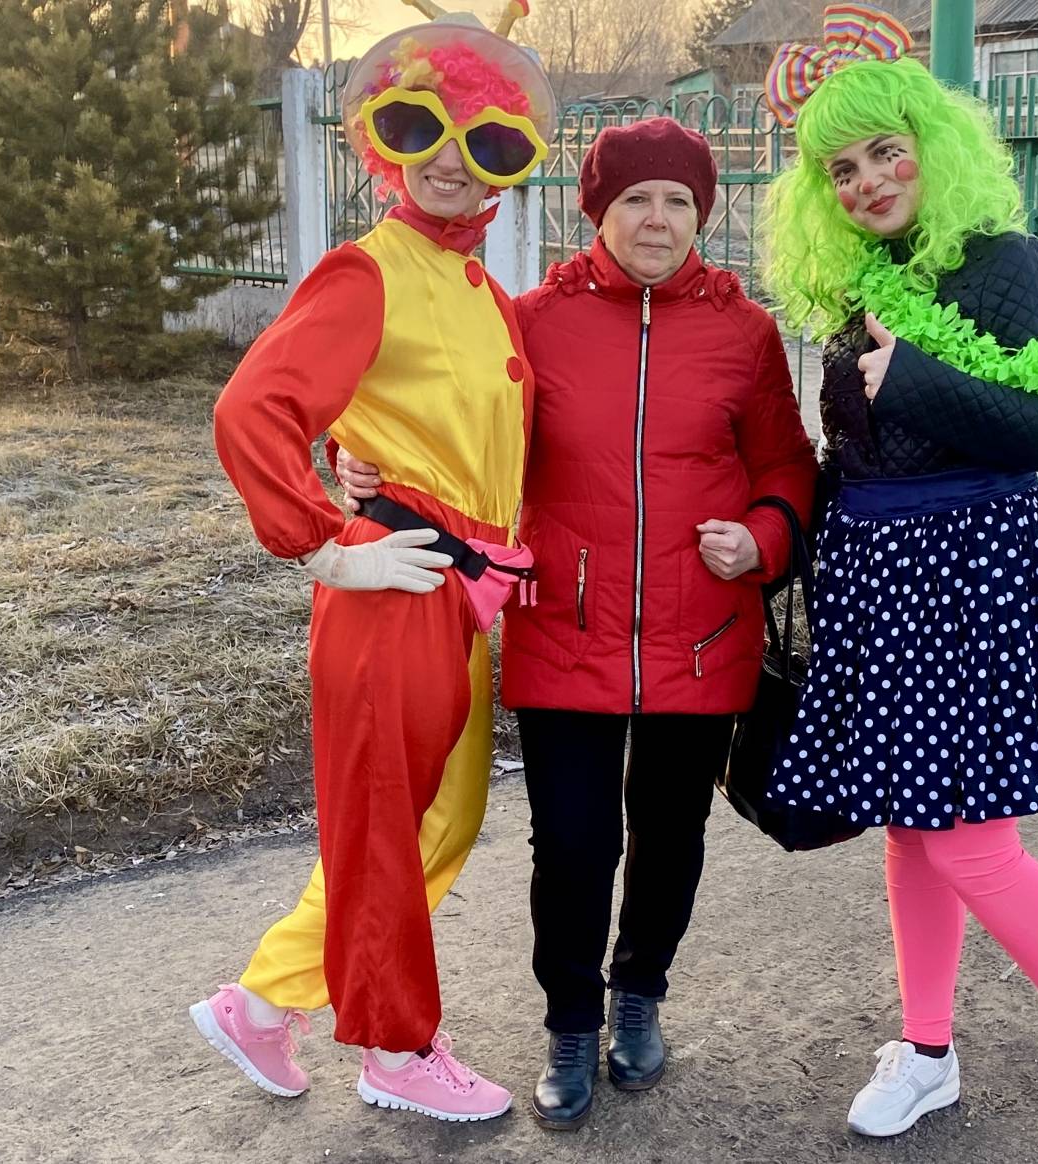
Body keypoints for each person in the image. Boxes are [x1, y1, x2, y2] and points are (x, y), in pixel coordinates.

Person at [338, 115, 818, 1129]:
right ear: (595, 210)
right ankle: (569, 1019)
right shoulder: (530, 322)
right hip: (564, 622)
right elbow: (452, 422)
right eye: (635, 199)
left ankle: (638, 994)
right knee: (570, 844)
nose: (657, 220)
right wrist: (363, 460)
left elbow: (785, 461)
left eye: (678, 201)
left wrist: (764, 536)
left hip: (701, 634)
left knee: (670, 836)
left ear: (702, 214)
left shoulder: (744, 332)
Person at [758, 8, 1038, 1164]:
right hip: (880, 575)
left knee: (971, 844)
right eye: (840, 170)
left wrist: (912, 378)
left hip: (979, 573)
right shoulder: (863, 278)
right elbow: (855, 448)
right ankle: (926, 1049)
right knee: (911, 827)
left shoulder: (1007, 265)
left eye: (883, 152)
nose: (865, 181)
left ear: (930, 147)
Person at [190, 6, 555, 1122]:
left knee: (438, 821)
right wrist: (324, 549)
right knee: (395, 827)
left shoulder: (480, 291)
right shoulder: (368, 271)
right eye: (422, 129)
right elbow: (253, 411)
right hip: (394, 583)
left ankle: (262, 1002)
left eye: (488, 142)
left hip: (458, 594)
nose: (452, 160)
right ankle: (397, 1050)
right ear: (384, 140)